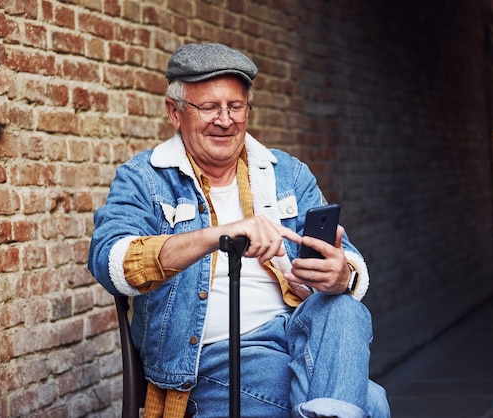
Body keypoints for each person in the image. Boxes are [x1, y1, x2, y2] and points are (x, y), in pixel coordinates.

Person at [88, 42, 390, 418]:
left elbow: (350, 258)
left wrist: (341, 273)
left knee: (344, 308)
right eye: (209, 107)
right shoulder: (144, 178)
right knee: (372, 404)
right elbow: (111, 262)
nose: (225, 120)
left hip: (297, 336)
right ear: (174, 111)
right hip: (212, 360)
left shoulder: (288, 174)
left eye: (236, 107)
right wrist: (219, 235)